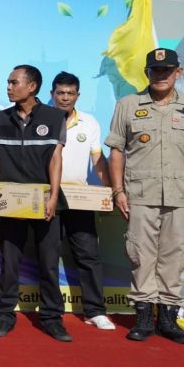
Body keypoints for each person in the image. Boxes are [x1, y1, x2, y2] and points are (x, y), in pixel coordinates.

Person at [105, 48, 184, 344]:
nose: (161, 75)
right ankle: (143, 316)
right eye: (155, 70)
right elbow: (116, 151)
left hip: (180, 196)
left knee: (175, 255)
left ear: (177, 73)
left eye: (167, 70)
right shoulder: (128, 105)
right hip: (140, 194)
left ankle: (168, 318)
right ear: (147, 73)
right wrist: (118, 191)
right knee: (141, 255)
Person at [0, 65, 71, 341]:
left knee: (48, 262)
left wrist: (54, 196)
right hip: (9, 202)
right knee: (9, 262)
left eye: (14, 82)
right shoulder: (0, 118)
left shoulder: (55, 117)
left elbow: (56, 158)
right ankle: (5, 314)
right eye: (8, 82)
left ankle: (51, 317)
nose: (9, 87)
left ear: (31, 86)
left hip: (44, 201)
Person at [50, 71, 115, 331]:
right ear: (52, 94)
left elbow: (98, 161)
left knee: (88, 255)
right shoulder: (42, 120)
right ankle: (51, 310)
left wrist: (109, 190)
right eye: (60, 93)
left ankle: (95, 311)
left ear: (78, 95)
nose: (65, 97)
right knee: (48, 255)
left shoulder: (89, 122)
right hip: (48, 197)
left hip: (79, 197)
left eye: (70, 93)